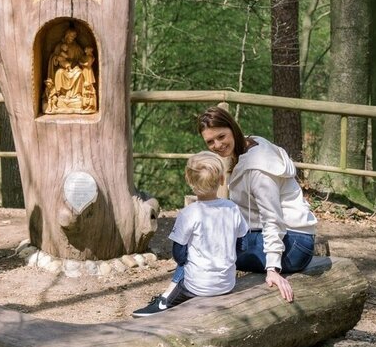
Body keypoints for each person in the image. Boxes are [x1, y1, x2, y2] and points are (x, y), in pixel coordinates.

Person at [197, 105, 318, 303]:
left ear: (232, 128)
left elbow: (272, 218)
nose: (217, 145)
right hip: (291, 239)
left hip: (293, 245)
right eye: (210, 141)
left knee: (207, 247)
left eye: (221, 136)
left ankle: (184, 296)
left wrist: (272, 269)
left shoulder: (258, 167)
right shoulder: (249, 145)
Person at [133, 152, 247, 316]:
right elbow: (242, 244)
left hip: (197, 286)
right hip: (227, 284)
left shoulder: (188, 213)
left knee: (185, 262)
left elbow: (178, 254)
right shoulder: (232, 208)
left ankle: (165, 301)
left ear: (189, 180)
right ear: (222, 179)